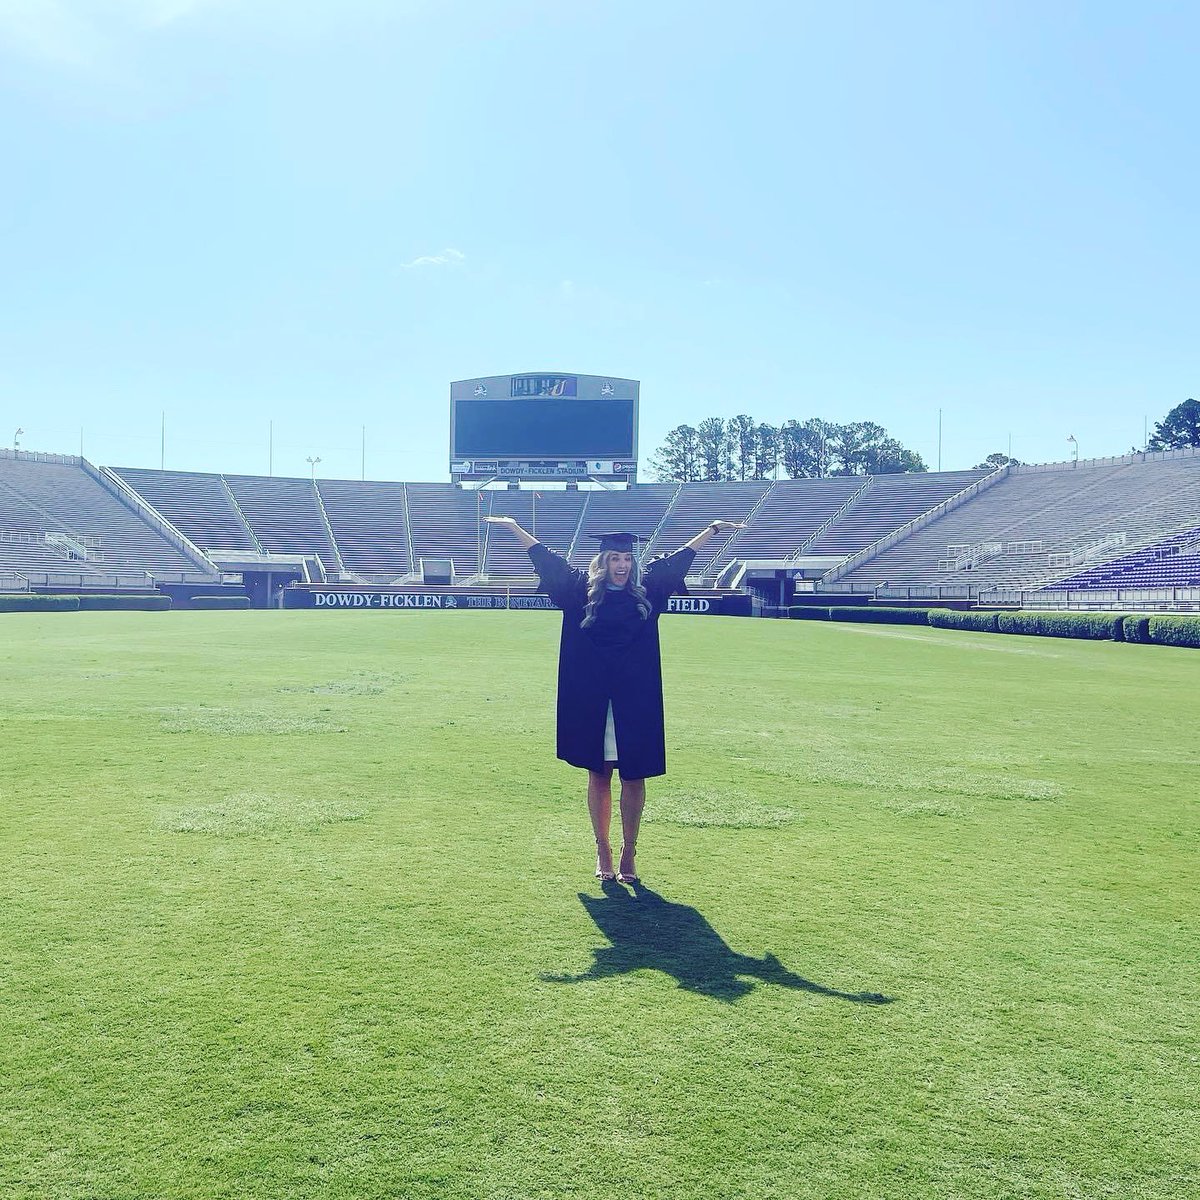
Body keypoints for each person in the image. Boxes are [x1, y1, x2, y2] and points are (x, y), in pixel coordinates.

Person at [485, 516, 744, 884]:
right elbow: (546, 559)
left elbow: (679, 560)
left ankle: (629, 851)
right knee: (599, 773)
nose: (622, 565)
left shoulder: (648, 592)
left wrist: (712, 530)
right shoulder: (580, 592)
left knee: (635, 776)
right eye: (614, 559)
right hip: (592, 700)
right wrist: (513, 526)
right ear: (603, 562)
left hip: (635, 699)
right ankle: (602, 847)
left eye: (626, 559)